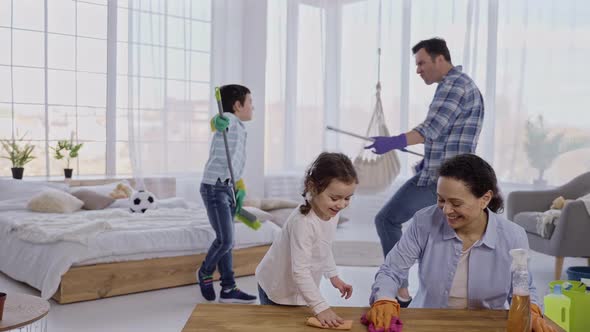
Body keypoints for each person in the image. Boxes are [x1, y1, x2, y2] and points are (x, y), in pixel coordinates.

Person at [365, 154, 556, 332]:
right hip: (427, 322)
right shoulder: (424, 221)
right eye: (441, 200)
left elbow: (523, 286)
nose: (446, 210)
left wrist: (531, 311)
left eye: (456, 203)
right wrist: (384, 299)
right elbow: (392, 270)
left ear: (485, 199)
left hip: (488, 326)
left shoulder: (513, 236)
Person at [365, 37, 485, 306]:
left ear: (439, 59)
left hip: (442, 181)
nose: (418, 69)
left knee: (387, 220)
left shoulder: (453, 85)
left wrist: (393, 142)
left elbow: (432, 128)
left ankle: (400, 289)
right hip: (443, 174)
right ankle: (421, 294)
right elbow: (446, 135)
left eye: (421, 63)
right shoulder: (462, 85)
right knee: (439, 237)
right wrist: (427, 158)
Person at [256, 152, 357, 328]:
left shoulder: (331, 213)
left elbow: (323, 247)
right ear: (313, 187)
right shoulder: (303, 223)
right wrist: (321, 307)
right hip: (277, 287)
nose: (341, 205)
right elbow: (300, 271)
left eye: (347, 198)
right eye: (335, 198)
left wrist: (333, 276)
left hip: (298, 288)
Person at [197, 84, 257, 303]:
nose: (253, 106)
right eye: (250, 102)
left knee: (227, 242)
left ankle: (229, 288)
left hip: (227, 187)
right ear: (237, 105)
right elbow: (218, 122)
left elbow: (235, 162)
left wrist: (240, 188)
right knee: (226, 240)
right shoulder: (230, 120)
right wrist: (215, 122)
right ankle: (205, 272)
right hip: (214, 187)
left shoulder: (241, 127)